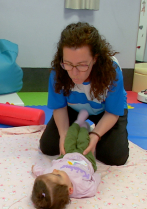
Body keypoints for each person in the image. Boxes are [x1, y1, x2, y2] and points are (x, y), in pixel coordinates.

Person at [39, 22, 129, 167]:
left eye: (82, 65)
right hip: (74, 108)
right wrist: (64, 134)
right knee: (48, 147)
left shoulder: (112, 72)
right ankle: (80, 128)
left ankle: (86, 131)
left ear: (95, 58)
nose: (74, 73)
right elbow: (60, 107)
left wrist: (95, 135)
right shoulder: (58, 72)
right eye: (68, 63)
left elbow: (113, 112)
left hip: (105, 111)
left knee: (115, 157)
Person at [31, 109, 101, 209]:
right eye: (58, 175)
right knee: (83, 139)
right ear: (70, 190)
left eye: (51, 173)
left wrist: (34, 168)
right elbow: (96, 179)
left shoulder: (50, 177)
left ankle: (78, 122)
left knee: (69, 138)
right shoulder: (83, 189)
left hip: (66, 155)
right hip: (85, 158)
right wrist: (93, 173)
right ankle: (85, 127)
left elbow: (41, 172)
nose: (55, 171)